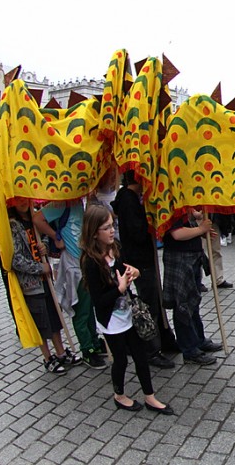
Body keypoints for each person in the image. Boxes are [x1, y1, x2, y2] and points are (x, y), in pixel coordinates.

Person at [80, 205, 174, 414]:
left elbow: (123, 270)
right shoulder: (90, 262)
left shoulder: (115, 248)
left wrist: (134, 272)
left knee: (141, 356)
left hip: (128, 313)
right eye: (106, 227)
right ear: (94, 232)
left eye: (112, 225)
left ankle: (150, 397)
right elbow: (99, 300)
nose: (112, 230)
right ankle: (119, 395)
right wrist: (119, 289)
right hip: (111, 320)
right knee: (121, 360)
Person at [112, 170, 177, 369]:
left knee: (154, 299)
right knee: (149, 304)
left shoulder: (130, 198)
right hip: (139, 260)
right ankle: (151, 350)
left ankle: (164, 339)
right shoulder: (129, 200)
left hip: (142, 258)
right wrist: (150, 223)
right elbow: (137, 232)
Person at [38, 200, 107, 369]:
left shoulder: (80, 202)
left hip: (86, 263)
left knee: (89, 307)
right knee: (81, 310)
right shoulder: (60, 204)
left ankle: (94, 342)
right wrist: (56, 236)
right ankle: (87, 349)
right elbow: (37, 219)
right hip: (74, 267)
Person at [8, 198, 72, 374]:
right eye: (18, 200)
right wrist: (39, 268)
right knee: (41, 322)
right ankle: (47, 357)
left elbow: (43, 239)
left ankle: (60, 351)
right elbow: (16, 259)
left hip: (46, 280)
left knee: (54, 316)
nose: (23, 203)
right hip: (31, 284)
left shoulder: (35, 218)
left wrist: (44, 246)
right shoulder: (13, 226)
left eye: (25, 199)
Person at [161, 208, 223, 365]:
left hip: (191, 257)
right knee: (183, 305)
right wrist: (200, 229)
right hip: (180, 258)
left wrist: (199, 230)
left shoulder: (183, 204)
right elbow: (177, 233)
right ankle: (189, 349)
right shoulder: (172, 203)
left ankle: (198, 340)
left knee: (193, 302)